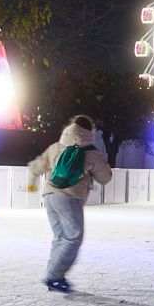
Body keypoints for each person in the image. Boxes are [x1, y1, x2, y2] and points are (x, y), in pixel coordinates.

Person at [27, 114, 112, 292]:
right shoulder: (89, 150)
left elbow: (36, 167)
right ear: (89, 131)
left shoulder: (56, 146)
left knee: (60, 237)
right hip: (70, 197)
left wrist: (32, 185)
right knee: (73, 237)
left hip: (49, 195)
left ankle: (53, 275)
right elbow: (105, 178)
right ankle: (54, 277)